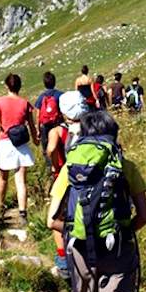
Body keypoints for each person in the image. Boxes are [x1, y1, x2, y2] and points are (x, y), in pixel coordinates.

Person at [47, 111, 146, 292]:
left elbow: (52, 221)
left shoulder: (70, 168)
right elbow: (144, 216)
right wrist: (121, 231)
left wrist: (79, 231)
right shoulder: (126, 167)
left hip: (81, 252)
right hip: (119, 254)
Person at [0, 73, 39, 227]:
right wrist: (35, 140)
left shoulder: (0, 102)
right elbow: (32, 125)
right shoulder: (25, 103)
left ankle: (0, 209)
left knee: (2, 177)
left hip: (4, 142)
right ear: (20, 86)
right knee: (21, 180)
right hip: (21, 143)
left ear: (6, 86)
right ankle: (23, 213)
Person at [45, 90, 88, 280]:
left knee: (57, 217)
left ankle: (63, 261)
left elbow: (51, 149)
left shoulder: (59, 130)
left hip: (65, 176)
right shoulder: (93, 127)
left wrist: (56, 165)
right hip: (89, 178)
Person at [34, 71, 63, 165]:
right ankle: (61, 165)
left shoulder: (41, 97)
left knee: (46, 147)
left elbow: (38, 115)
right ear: (54, 82)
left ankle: (50, 168)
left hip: (45, 126)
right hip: (57, 124)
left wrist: (37, 129)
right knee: (59, 146)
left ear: (44, 84)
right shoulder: (60, 95)